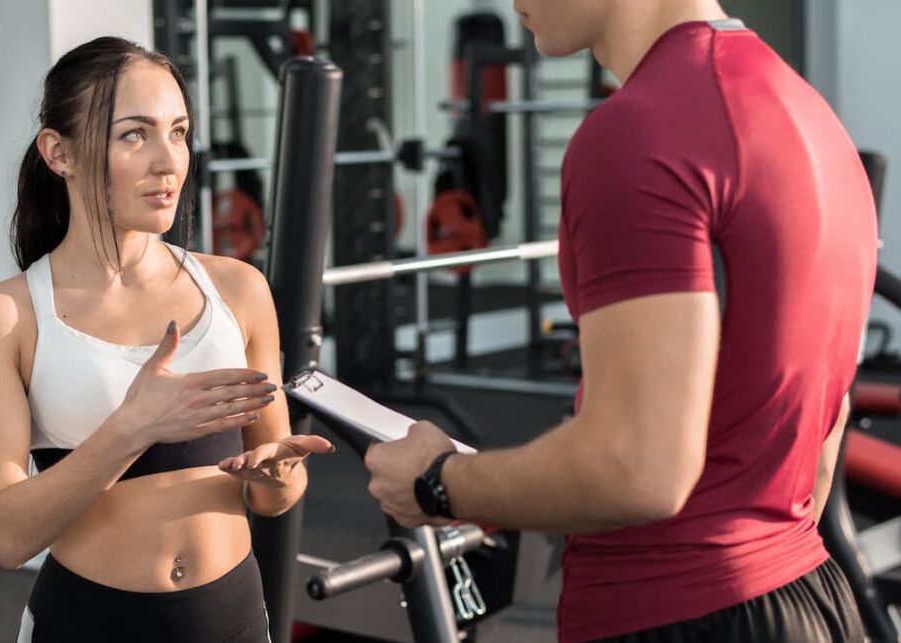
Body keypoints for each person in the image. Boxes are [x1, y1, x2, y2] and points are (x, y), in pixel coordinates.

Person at [364, 1, 877, 641]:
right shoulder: (807, 111)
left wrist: (439, 483)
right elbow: (820, 449)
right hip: (811, 595)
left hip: (680, 617)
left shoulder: (639, 131)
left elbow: (636, 469)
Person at [0, 37, 333, 643]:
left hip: (232, 620)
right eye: (135, 134)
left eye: (179, 132)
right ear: (59, 152)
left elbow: (276, 497)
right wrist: (134, 426)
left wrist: (278, 474)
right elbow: (6, 536)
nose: (169, 161)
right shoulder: (1, 317)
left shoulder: (239, 290)